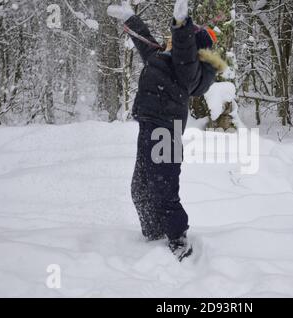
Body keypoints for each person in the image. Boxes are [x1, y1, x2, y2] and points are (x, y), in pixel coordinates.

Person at [108, 0, 227, 261]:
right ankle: (153, 236)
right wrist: (129, 18)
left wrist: (182, 24)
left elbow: (184, 48)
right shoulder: (163, 58)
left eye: (177, 40)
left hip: (165, 131)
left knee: (162, 188)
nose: (169, 42)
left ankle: (178, 239)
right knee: (140, 189)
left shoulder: (188, 70)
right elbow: (144, 41)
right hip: (150, 127)